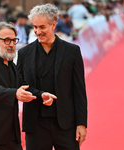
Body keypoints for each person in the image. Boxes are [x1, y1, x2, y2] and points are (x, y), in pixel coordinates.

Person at [0, 22, 56, 150]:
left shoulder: (11, 65)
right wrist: (14, 93)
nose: (11, 44)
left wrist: (40, 95)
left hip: (13, 138)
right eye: (7, 40)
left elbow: (23, 86)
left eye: (14, 40)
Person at [17, 3, 87, 150]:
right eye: (35, 27)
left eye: (42, 27)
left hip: (65, 124)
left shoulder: (72, 51)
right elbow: (20, 83)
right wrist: (40, 95)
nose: (37, 31)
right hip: (35, 125)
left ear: (53, 25)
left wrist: (81, 124)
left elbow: (79, 90)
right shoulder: (24, 53)